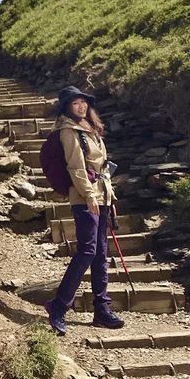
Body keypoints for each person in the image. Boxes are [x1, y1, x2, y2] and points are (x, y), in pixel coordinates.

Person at [44, 85, 124, 336]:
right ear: (67, 107)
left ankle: (102, 309)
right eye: (75, 103)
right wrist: (89, 196)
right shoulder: (69, 131)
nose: (81, 106)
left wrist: (110, 198)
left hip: (102, 197)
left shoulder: (92, 129)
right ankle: (58, 306)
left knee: (100, 254)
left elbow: (102, 169)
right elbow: (76, 168)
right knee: (87, 251)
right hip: (84, 198)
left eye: (83, 102)